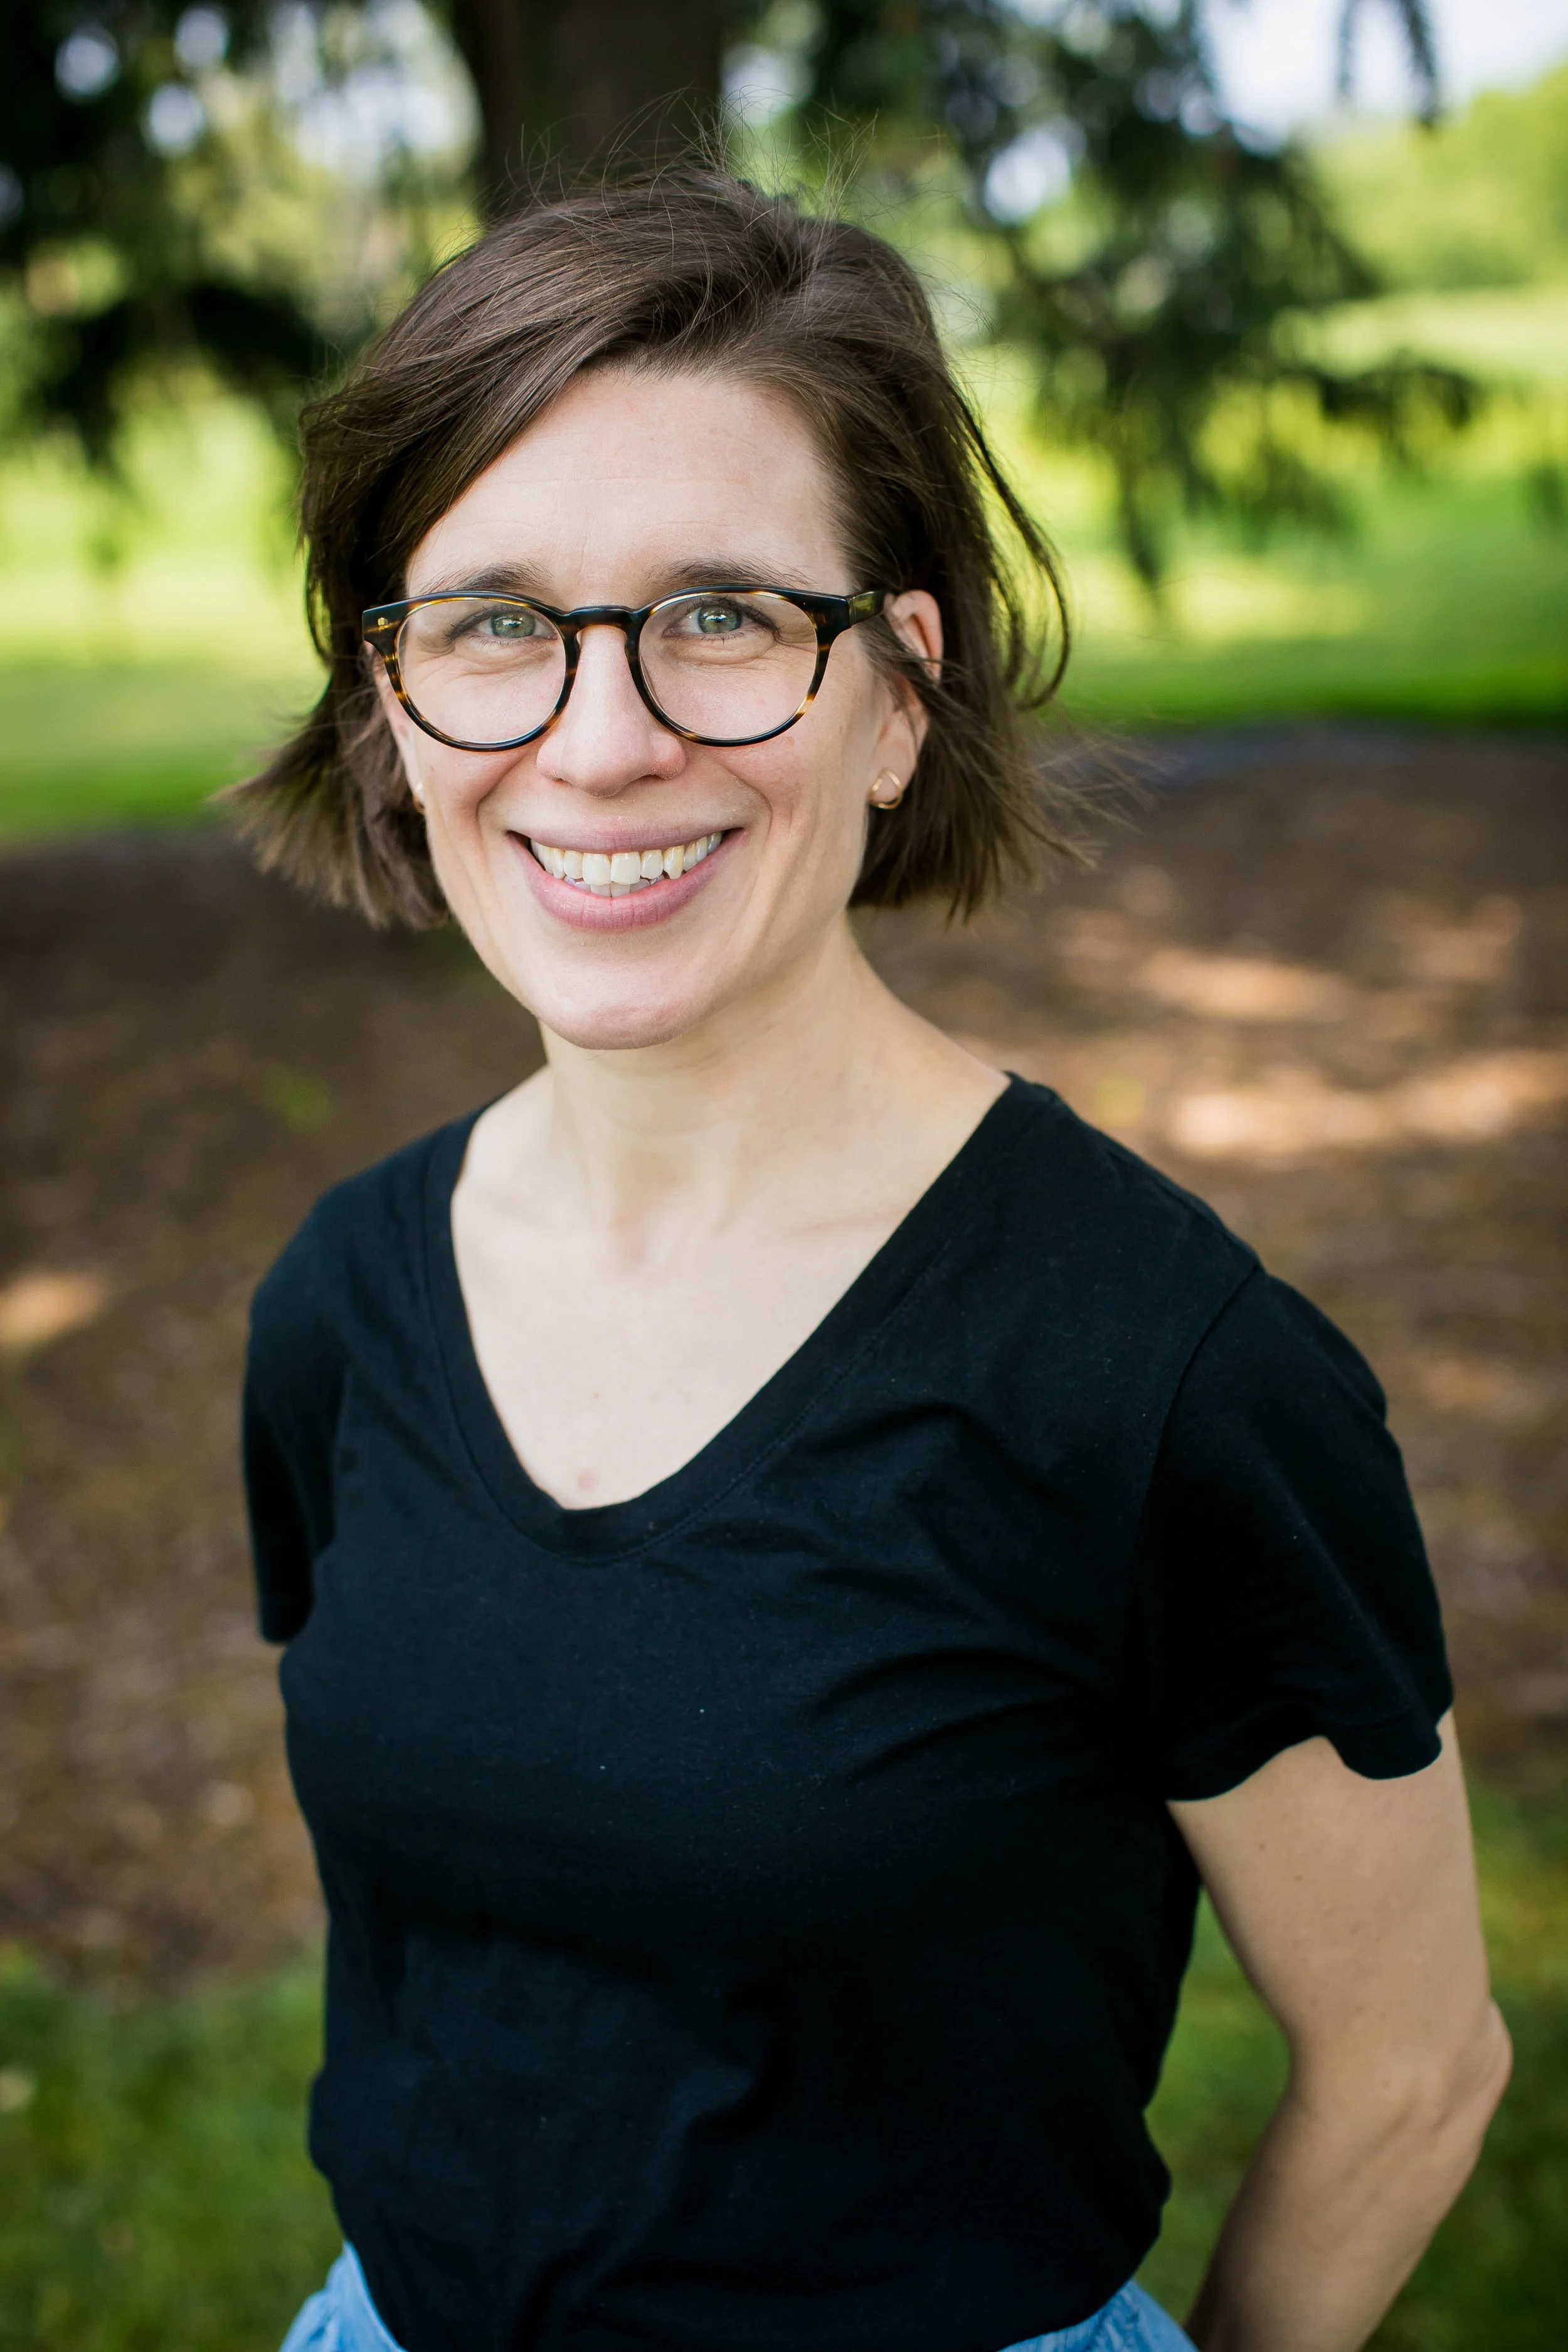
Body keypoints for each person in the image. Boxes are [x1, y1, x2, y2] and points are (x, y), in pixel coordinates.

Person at [236, 174, 1508, 2352]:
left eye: (724, 611)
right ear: (392, 703)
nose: (601, 734)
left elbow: (1413, 2068)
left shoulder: (1164, 1378)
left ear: (900, 691)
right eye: (492, 621)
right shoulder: (340, 1303)